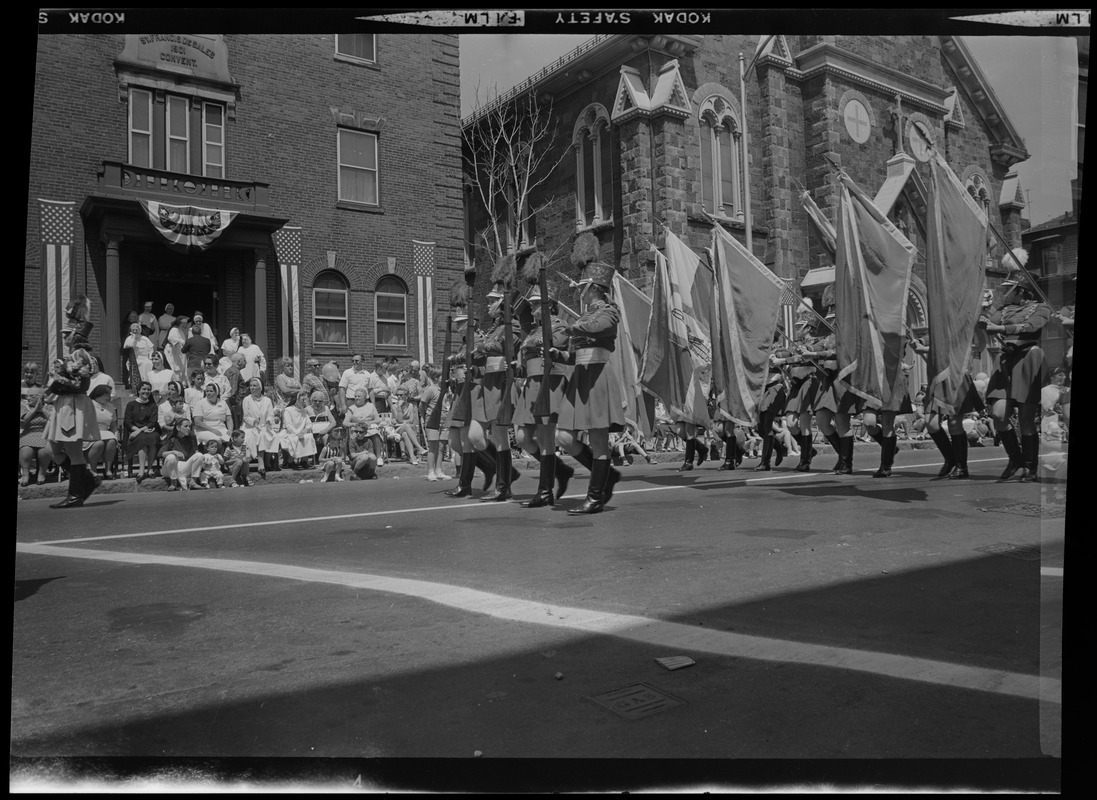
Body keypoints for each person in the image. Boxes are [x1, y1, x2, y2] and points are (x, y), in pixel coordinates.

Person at [554, 234, 624, 514]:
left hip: (597, 378)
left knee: (597, 440)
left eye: (583, 286)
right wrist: (559, 355)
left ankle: (595, 497)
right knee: (563, 437)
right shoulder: (583, 316)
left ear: (594, 287)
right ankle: (607, 476)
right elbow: (576, 354)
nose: (579, 290)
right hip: (580, 377)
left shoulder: (609, 311)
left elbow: (598, 328)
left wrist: (572, 328)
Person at [982, 276, 1052, 481]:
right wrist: (979, 319)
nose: (1005, 293)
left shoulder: (1042, 308)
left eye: (1009, 289)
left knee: (1026, 418)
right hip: (1006, 360)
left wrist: (1002, 329)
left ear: (1020, 291)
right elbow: (989, 323)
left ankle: (1030, 467)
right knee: (998, 414)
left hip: (1028, 357)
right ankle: (1015, 460)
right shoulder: (1003, 310)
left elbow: (1032, 326)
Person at [468, 257, 524, 502]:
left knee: (501, 437)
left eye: (492, 301)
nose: (488, 305)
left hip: (501, 384)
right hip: (488, 384)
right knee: (478, 436)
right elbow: (486, 355)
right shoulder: (493, 329)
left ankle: (503, 486)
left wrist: (482, 348)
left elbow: (505, 347)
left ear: (502, 303)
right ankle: (505, 475)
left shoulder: (513, 326)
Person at [43, 348, 102, 508]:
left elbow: (79, 384)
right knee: (50, 449)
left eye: (67, 335)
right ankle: (89, 478)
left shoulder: (80, 356)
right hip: (65, 404)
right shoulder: (72, 357)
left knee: (75, 453)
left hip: (73, 406)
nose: (65, 337)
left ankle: (75, 495)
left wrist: (59, 382)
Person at [417, 364, 450, 481]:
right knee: (433, 447)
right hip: (432, 420)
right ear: (436, 378)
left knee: (441, 447)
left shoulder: (446, 390)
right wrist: (425, 416)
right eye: (443, 377)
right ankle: (431, 471)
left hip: (444, 420)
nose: (446, 379)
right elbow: (422, 405)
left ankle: (439, 470)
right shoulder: (431, 389)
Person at [123, 380, 160, 484]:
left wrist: (141, 430)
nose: (146, 391)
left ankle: (150, 468)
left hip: (149, 430)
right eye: (144, 389)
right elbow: (128, 421)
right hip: (135, 431)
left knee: (153, 438)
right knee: (142, 439)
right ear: (138, 390)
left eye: (148, 389)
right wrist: (137, 430)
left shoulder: (153, 405)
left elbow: (152, 421)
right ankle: (141, 470)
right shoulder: (131, 404)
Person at [241, 377, 277, 476]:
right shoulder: (247, 400)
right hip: (250, 427)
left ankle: (267, 461)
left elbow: (270, 414)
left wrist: (268, 421)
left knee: (274, 436)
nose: (252, 388)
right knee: (260, 436)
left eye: (254, 385)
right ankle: (261, 464)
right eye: (251, 386)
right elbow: (246, 416)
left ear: (260, 387)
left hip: (265, 426)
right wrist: (254, 421)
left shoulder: (267, 400)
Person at [84, 384, 119, 480]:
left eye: (109, 395)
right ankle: (92, 470)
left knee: (112, 441)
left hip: (105, 432)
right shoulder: (88, 405)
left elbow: (114, 426)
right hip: (90, 432)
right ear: (98, 394)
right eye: (106, 395)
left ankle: (108, 470)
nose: (109, 397)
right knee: (99, 443)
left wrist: (116, 438)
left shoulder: (111, 407)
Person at [157, 417, 202, 491]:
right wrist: (174, 452)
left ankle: (193, 482)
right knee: (171, 457)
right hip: (169, 469)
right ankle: (173, 483)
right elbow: (160, 454)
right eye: (186, 426)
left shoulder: (190, 440)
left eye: (189, 426)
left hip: (183, 467)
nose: (188, 428)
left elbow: (192, 456)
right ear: (178, 428)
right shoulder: (171, 439)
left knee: (199, 455)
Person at [19, 390, 54, 486]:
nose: (28, 398)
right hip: (28, 434)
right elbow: (22, 423)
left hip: (45, 434)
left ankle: (41, 474)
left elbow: (53, 420)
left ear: (40, 398)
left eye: (32, 396)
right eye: (27, 396)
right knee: (26, 450)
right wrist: (34, 409)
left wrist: (42, 409)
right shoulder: (24, 407)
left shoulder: (49, 407)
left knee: (44, 450)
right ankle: (25, 474)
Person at [343, 387, 385, 466]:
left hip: (369, 427)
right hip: (357, 428)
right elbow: (345, 422)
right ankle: (357, 457)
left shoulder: (371, 406)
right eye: (355, 396)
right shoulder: (351, 408)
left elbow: (378, 420)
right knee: (356, 433)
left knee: (376, 433)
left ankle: (379, 457)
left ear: (364, 397)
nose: (356, 398)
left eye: (359, 396)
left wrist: (369, 422)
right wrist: (354, 424)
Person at [391, 386, 427, 465]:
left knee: (405, 434)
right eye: (397, 395)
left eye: (401, 395)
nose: (399, 397)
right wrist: (399, 408)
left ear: (406, 396)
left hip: (408, 428)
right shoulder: (394, 406)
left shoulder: (410, 405)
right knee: (406, 426)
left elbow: (411, 420)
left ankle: (412, 457)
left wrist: (404, 422)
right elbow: (399, 420)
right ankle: (419, 447)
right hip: (397, 429)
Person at [282, 390, 318, 468]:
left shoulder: (303, 411)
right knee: (294, 439)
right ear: (296, 400)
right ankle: (290, 461)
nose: (304, 402)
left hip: (302, 433)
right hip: (290, 433)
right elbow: (288, 425)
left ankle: (304, 461)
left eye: (305, 400)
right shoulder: (288, 410)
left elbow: (309, 424)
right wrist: (297, 433)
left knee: (309, 437)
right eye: (302, 400)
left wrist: (304, 431)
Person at [193, 382, 233, 449]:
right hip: (205, 430)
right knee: (216, 440)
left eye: (211, 391)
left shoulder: (223, 403)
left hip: (221, 429)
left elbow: (229, 419)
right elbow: (197, 422)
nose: (208, 393)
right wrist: (212, 430)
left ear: (217, 392)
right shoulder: (200, 403)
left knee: (234, 439)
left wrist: (230, 430)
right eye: (207, 391)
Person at [123, 322, 157, 389]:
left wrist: (150, 357)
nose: (135, 331)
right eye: (133, 330)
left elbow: (150, 348)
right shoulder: (129, 339)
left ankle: (146, 384)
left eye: (136, 330)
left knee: (148, 364)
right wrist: (133, 338)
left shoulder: (144, 339)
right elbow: (128, 346)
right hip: (134, 359)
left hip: (145, 358)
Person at [223, 352, 248, 430]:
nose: (246, 362)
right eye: (244, 360)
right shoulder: (234, 372)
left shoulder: (231, 370)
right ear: (239, 362)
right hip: (234, 405)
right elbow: (232, 390)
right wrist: (235, 405)